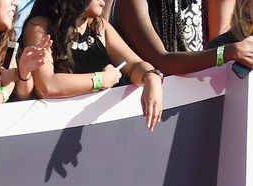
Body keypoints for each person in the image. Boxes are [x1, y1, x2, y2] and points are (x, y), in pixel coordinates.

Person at [21, 0, 162, 129]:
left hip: (98, 129)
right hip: (54, 129)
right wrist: (101, 79)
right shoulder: (39, 27)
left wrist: (151, 77)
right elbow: (46, 85)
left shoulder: (100, 26)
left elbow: (135, 65)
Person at [108, 0, 253, 72]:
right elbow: (162, 61)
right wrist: (227, 52)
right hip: (152, 111)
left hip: (199, 101)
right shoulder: (131, 3)